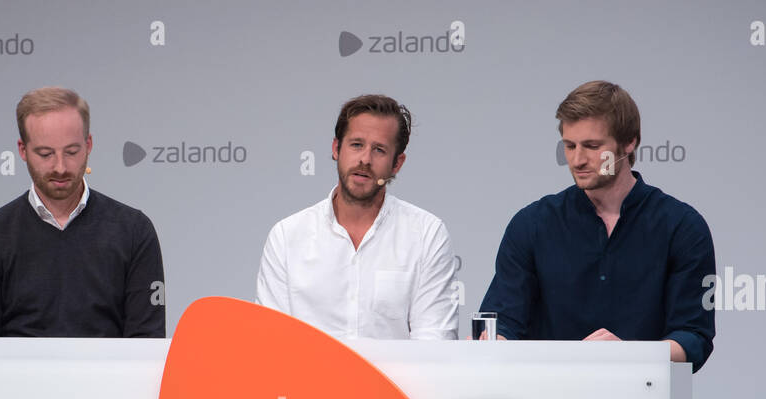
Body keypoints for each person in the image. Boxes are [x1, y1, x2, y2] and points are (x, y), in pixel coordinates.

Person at [480, 81, 716, 370]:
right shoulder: (532, 224)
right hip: (547, 391)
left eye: (592, 146)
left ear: (629, 142)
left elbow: (694, 337)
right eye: (569, 146)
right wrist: (493, 343)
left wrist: (628, 354)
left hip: (643, 391)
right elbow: (503, 321)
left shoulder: (682, 227)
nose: (577, 160)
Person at [0, 87, 165, 338]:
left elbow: (147, 344)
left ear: (88, 145)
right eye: (45, 154)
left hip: (108, 367)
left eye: (71, 152)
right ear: (22, 150)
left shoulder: (133, 231)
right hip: (14, 367)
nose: (60, 167)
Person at [255, 94, 458, 340]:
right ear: (336, 149)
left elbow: (434, 342)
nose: (365, 159)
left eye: (379, 150)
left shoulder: (427, 234)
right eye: (356, 145)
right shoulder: (287, 237)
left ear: (397, 163)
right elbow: (271, 342)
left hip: (398, 370)